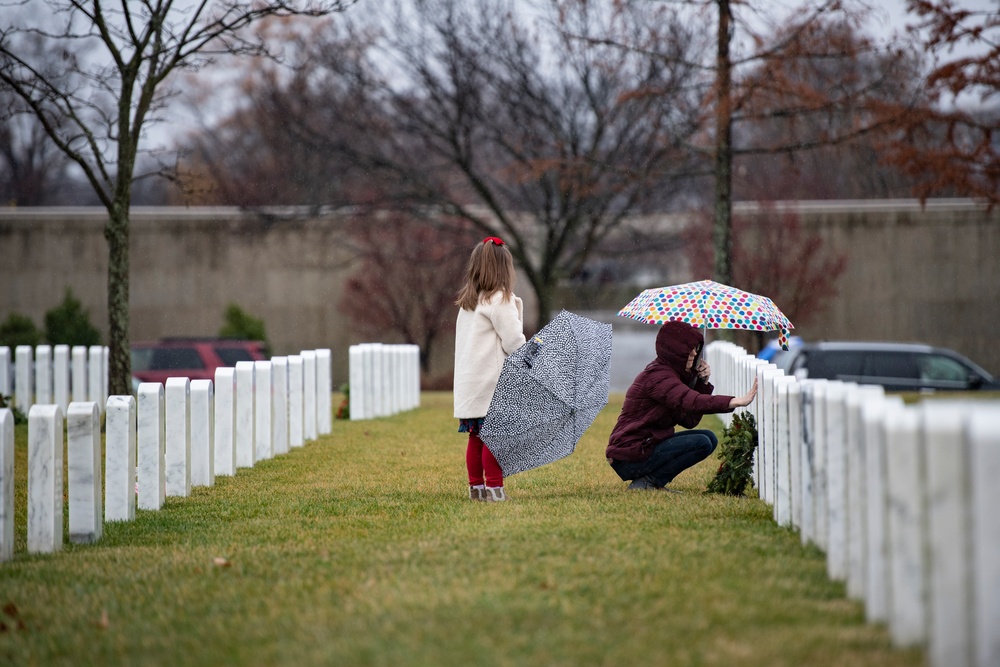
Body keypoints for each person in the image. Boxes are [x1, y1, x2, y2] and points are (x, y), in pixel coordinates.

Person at [606, 320, 758, 492]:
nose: (694, 353)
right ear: (675, 351)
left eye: (695, 348)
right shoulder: (658, 377)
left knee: (708, 438)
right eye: (690, 348)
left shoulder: (670, 375)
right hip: (630, 455)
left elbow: (689, 420)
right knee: (702, 442)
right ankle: (650, 482)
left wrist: (702, 382)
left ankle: (650, 482)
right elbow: (691, 400)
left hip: (645, 447)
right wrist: (735, 401)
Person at [454, 236, 526, 502]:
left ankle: (477, 489)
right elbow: (513, 341)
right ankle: (495, 488)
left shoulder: (469, 303)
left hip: (472, 382)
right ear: (504, 268)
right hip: (492, 383)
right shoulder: (500, 300)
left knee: (476, 438)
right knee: (495, 438)